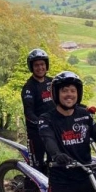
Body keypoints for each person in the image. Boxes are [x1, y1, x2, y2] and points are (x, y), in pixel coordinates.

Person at [21, 48, 56, 177]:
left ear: (46, 65)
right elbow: (28, 112)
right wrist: (39, 122)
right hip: (36, 133)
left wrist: (82, 109)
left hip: (53, 130)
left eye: (42, 64)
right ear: (32, 67)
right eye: (36, 65)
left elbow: (64, 101)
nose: (40, 68)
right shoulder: (29, 87)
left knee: (56, 162)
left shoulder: (52, 83)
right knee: (37, 167)